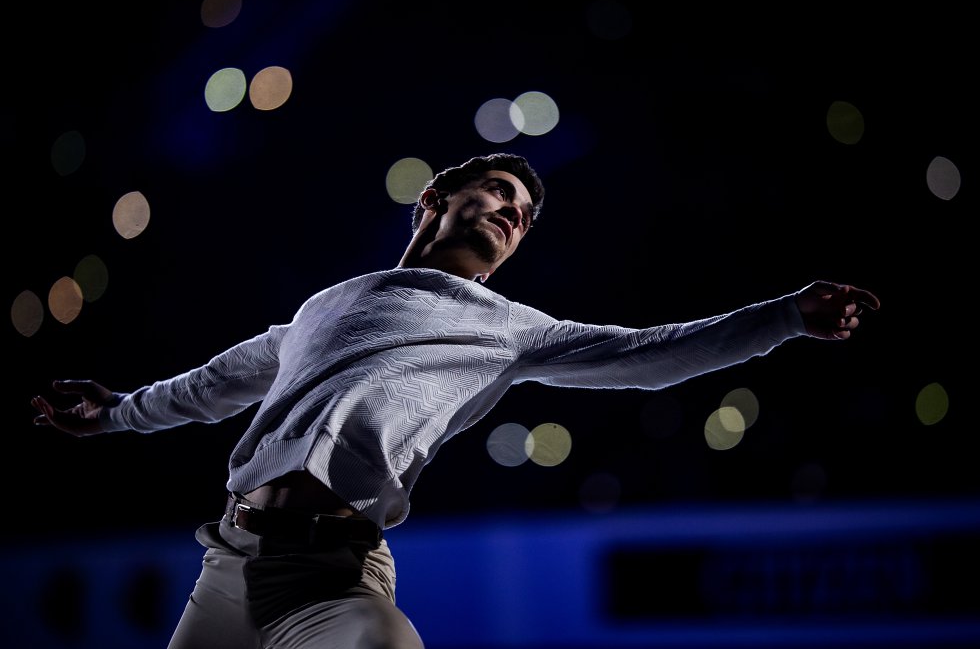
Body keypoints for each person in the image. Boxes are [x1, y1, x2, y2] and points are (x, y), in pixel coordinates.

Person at [31, 153, 880, 648]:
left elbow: (650, 356)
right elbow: (211, 388)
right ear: (435, 198)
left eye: (524, 214)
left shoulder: (511, 329)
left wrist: (784, 317)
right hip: (226, 566)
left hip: (333, 575)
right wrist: (112, 412)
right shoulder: (323, 307)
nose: (514, 212)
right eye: (501, 192)